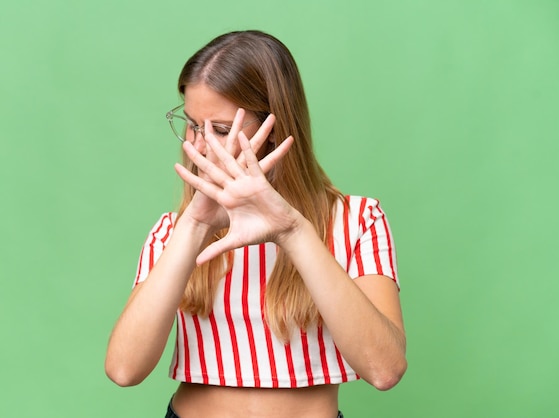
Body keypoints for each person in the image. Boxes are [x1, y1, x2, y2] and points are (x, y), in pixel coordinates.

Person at [105, 30, 407, 418]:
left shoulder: (358, 221)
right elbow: (124, 369)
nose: (199, 147)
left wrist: (292, 231)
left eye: (221, 129)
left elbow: (384, 370)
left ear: (274, 130)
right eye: (193, 125)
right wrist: (195, 225)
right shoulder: (173, 231)